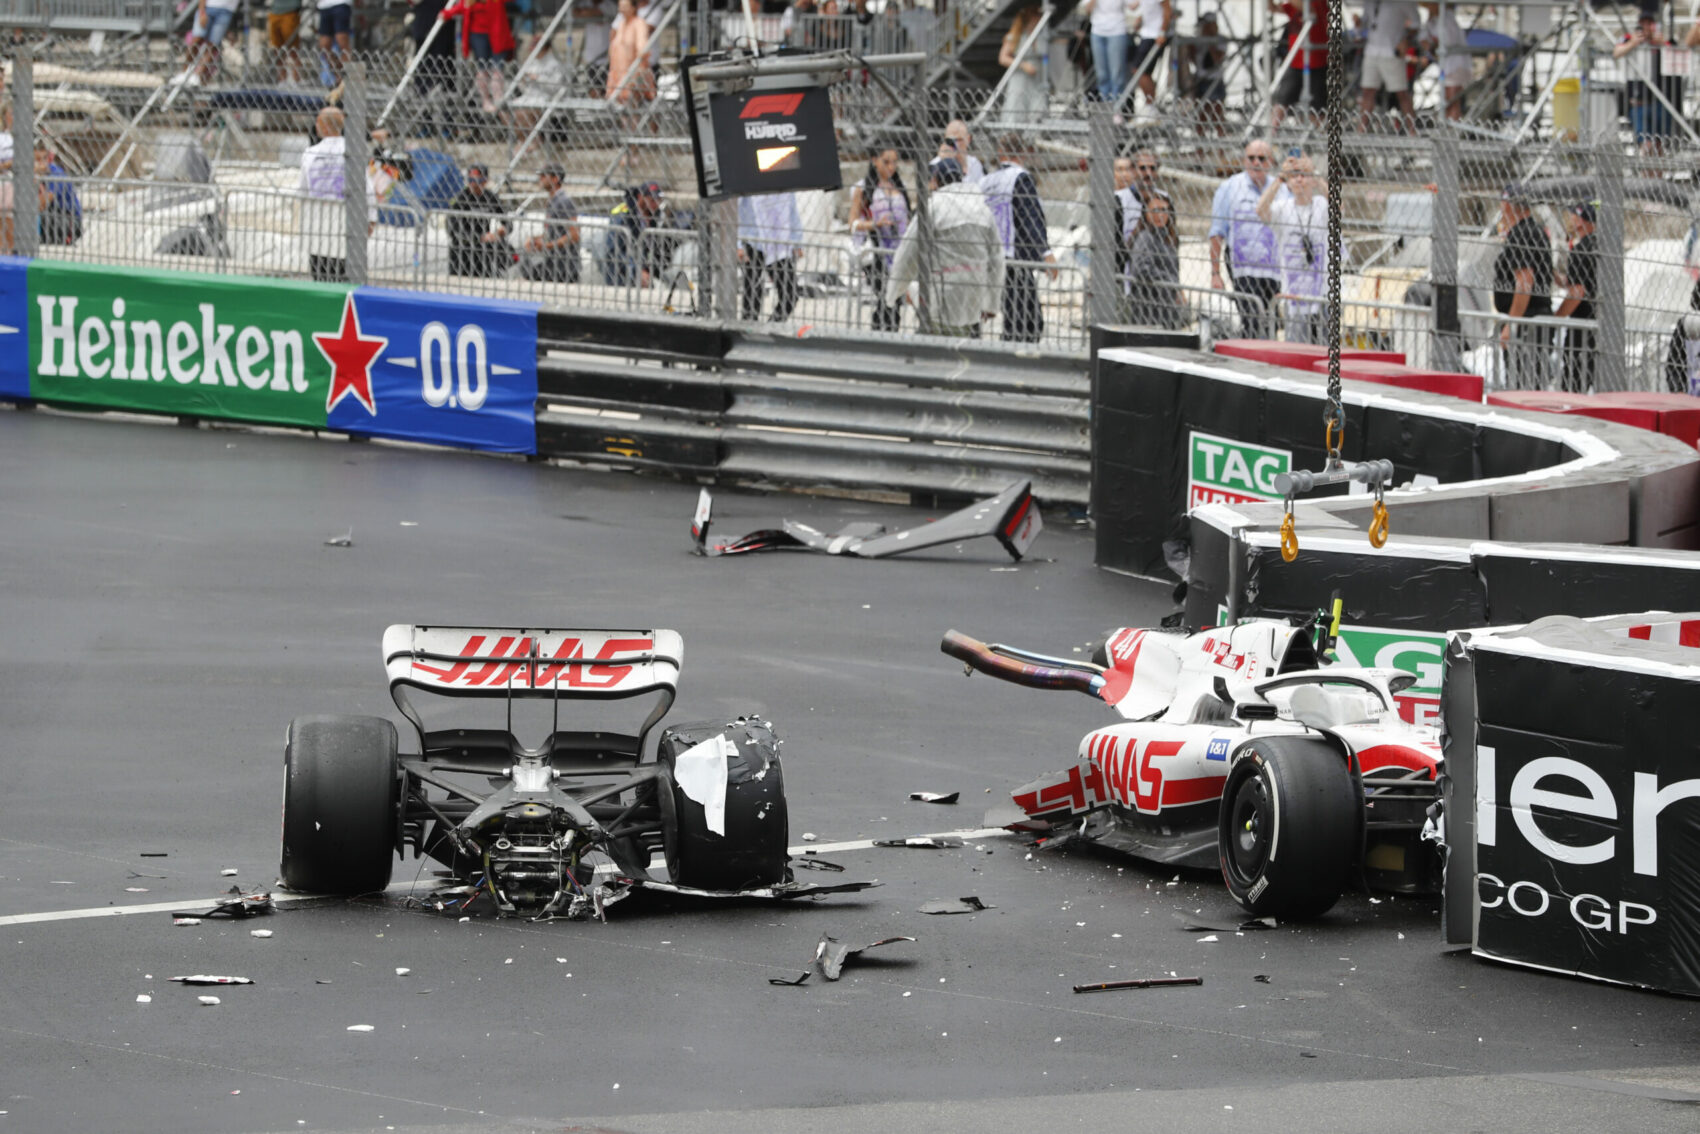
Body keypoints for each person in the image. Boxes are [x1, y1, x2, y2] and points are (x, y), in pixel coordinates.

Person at [884, 157, 1004, 338]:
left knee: (935, 345)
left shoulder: (934, 206)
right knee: (962, 345)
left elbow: (908, 252)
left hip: (942, 295)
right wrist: (991, 302)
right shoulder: (981, 209)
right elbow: (996, 257)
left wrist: (893, 293)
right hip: (973, 295)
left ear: (936, 179)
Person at [981, 134, 1054, 343]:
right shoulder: (1020, 177)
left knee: (1014, 315)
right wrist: (1045, 252)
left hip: (994, 257)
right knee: (1028, 321)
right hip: (1016, 259)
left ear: (1000, 153)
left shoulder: (986, 181)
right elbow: (1030, 216)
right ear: (1023, 153)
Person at [1208, 139, 1282, 338]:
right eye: (1251, 158)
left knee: (1272, 321)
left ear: (1271, 162)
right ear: (1243, 160)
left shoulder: (1281, 189)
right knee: (1250, 317)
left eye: (1262, 158)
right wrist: (1215, 273)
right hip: (1243, 265)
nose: (1256, 162)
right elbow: (1217, 232)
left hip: (1274, 268)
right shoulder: (1229, 188)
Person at [1255, 152, 1328, 344]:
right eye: (1295, 175)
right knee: (1296, 346)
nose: (1300, 179)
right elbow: (1261, 210)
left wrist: (1315, 175)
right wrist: (1279, 178)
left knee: (1325, 346)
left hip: (1322, 291)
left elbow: (1339, 205)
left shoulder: (1321, 205)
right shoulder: (1282, 207)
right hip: (1294, 292)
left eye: (1304, 175)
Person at [297, 106, 374, 281]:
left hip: (319, 226)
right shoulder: (354, 152)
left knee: (320, 278)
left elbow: (302, 192)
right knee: (348, 278)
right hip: (348, 224)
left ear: (321, 126)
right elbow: (367, 189)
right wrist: (371, 219)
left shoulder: (310, 154)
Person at [1492, 183, 1553, 389]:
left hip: (1527, 320)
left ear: (1507, 205)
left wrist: (1512, 323)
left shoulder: (1521, 234)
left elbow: (1524, 283)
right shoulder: (1535, 230)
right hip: (1534, 318)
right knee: (1531, 380)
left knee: (1521, 384)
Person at [849, 145, 911, 332]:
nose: (891, 167)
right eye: (886, 162)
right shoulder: (864, 188)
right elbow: (852, 222)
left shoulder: (899, 188)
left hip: (898, 251)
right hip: (876, 251)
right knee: (885, 296)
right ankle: (880, 333)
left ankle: (890, 333)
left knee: (896, 300)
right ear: (875, 161)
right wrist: (875, 223)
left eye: (894, 162)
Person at [1614, 9, 1682, 157]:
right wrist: (1633, 43)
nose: (1645, 28)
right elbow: (1617, 53)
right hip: (1638, 102)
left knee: (1659, 144)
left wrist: (1661, 44)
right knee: (1646, 143)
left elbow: (1675, 56)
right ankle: (1646, 175)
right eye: (1643, 24)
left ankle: (1657, 176)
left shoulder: (1659, 43)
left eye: (1649, 24)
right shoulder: (1628, 39)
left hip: (1659, 102)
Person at [737, 192, 804, 321]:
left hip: (778, 244)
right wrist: (738, 244)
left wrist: (797, 241)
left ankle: (771, 326)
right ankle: (749, 331)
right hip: (753, 242)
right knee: (752, 295)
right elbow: (736, 209)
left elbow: (791, 208)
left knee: (790, 294)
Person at [1124, 190, 1186, 328]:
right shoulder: (1145, 237)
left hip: (1166, 307)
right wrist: (1171, 281)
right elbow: (1141, 270)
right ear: (1146, 214)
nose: (1160, 215)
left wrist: (1177, 288)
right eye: (1155, 210)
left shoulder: (1169, 239)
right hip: (1148, 307)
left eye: (1164, 210)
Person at [1554, 201, 1598, 393]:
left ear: (1580, 221)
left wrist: (1555, 319)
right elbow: (1585, 283)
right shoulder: (1600, 246)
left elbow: (1578, 292)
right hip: (1599, 321)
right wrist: (1561, 279)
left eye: (1572, 216)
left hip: (1582, 326)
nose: (1569, 221)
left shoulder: (1581, 250)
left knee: (1573, 384)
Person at [445, 0, 516, 113]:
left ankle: (498, 99)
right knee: (482, 68)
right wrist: (446, 13)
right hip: (478, 34)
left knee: (497, 68)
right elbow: (461, 7)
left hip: (497, 33)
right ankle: (486, 100)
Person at [1358, 0, 1418, 132]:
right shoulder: (1369, 3)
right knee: (1367, 91)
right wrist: (1358, 24)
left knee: (1401, 92)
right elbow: (1364, 24)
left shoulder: (1403, 3)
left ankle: (1412, 130)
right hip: (1372, 51)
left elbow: (1416, 24)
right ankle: (1361, 129)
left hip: (1391, 52)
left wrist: (1405, 41)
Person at [445, 162, 513, 277]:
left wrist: (500, 231)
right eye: (470, 180)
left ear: (485, 181)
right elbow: (452, 230)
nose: (473, 184)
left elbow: (508, 223)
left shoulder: (490, 197)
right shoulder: (460, 198)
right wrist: (480, 238)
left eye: (477, 180)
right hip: (461, 250)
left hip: (483, 252)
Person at [518, 163, 580, 283]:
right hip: (553, 262)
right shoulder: (552, 201)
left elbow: (574, 235)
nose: (540, 179)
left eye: (543, 176)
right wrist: (535, 239)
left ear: (555, 179)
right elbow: (551, 231)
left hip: (565, 266)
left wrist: (547, 246)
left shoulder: (564, 201)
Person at [1270, 0, 1326, 129]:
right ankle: (1271, 133)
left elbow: (1309, 9)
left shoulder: (1318, 3)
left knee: (1317, 106)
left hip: (1316, 61)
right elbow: (1273, 8)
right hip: (1295, 60)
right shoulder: (1294, 5)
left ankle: (1318, 136)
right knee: (1282, 99)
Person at [600, 180, 666, 286]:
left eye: (659, 200)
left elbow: (650, 248)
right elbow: (615, 250)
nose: (656, 204)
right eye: (652, 199)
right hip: (620, 275)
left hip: (640, 274)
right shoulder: (624, 215)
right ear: (640, 197)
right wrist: (637, 271)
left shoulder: (653, 217)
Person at [1419, 1, 1468, 121]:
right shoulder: (1432, 22)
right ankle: (1448, 123)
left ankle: (1452, 124)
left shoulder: (1447, 19)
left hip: (1457, 64)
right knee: (1447, 96)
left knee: (1452, 97)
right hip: (1445, 66)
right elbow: (1424, 39)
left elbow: (1448, 42)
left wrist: (1434, 46)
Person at [1178, 12, 1226, 132]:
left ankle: (1220, 147)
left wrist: (1210, 40)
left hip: (1214, 81)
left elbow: (1217, 59)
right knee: (1201, 117)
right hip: (1200, 80)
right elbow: (1194, 60)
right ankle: (1200, 148)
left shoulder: (1220, 40)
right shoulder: (1199, 40)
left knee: (1217, 115)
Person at [998, 7, 1047, 123]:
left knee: (1037, 105)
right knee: (1017, 103)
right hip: (1020, 77)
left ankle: (1033, 134)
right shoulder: (1015, 36)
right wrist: (1023, 65)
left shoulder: (1042, 36)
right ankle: (1012, 133)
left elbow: (1045, 57)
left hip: (1037, 79)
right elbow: (1003, 58)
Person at [1079, 0, 1130, 104]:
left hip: (1117, 31)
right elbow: (1087, 9)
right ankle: (1104, 104)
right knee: (1101, 73)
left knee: (1117, 72)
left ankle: (1117, 106)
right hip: (1097, 31)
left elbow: (1133, 6)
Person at [605, 0, 654, 103]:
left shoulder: (639, 23)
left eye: (625, 6)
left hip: (633, 72)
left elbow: (642, 47)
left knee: (633, 105)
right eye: (620, 7)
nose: (622, 10)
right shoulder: (621, 24)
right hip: (618, 71)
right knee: (619, 104)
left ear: (633, 8)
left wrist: (636, 73)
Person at [1128, 0, 1171, 116]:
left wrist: (1162, 32)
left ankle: (1150, 104)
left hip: (1154, 36)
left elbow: (1167, 11)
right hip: (1146, 34)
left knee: (1140, 70)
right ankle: (1150, 104)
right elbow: (1150, 10)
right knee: (1143, 71)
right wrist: (1140, 20)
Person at [184, 0, 242, 86]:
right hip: (209, 8)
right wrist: (202, 11)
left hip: (227, 11)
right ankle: (184, 72)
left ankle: (197, 76)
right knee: (197, 39)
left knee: (213, 46)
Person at [35, 147, 83, 246]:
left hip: (69, 220)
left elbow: (40, 205)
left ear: (49, 159)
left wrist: (34, 180)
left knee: (35, 215)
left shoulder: (56, 175)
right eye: (35, 160)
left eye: (40, 159)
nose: (37, 164)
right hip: (51, 214)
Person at [574, 0, 617, 94]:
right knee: (592, 90)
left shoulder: (609, 5)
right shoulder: (586, 3)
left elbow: (592, 12)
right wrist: (590, 14)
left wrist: (587, 13)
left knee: (605, 90)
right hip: (591, 58)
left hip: (606, 58)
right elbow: (575, 12)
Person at [316, 0, 354, 87]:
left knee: (342, 41)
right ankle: (339, 74)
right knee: (324, 46)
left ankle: (346, 77)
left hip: (341, 4)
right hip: (324, 6)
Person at [268, 0, 305, 87]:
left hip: (290, 12)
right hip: (274, 12)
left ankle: (296, 80)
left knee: (293, 49)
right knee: (277, 50)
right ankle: (282, 80)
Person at [941, 119, 986, 186]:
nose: (956, 145)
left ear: (968, 139)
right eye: (950, 141)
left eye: (959, 140)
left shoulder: (974, 163)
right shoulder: (936, 164)